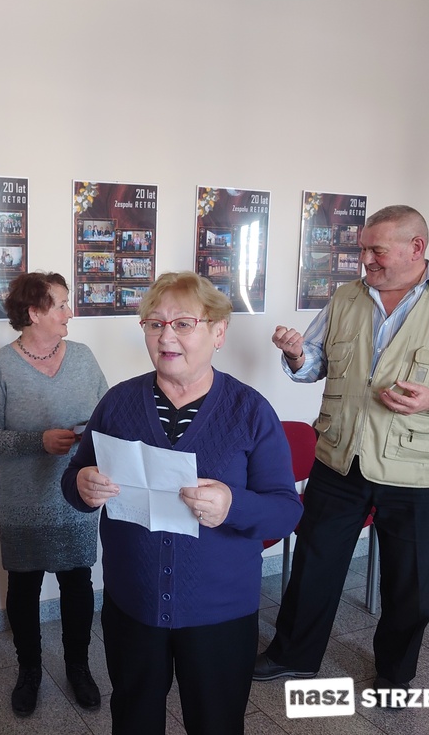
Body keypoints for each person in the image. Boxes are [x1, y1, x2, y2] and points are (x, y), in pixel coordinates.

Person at [255, 205, 429, 696]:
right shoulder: (346, 297)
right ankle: (293, 656)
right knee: (314, 566)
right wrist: (296, 354)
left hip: (419, 470)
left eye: (377, 250)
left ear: (416, 248)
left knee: (408, 584)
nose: (365, 259)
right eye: (362, 249)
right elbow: (316, 364)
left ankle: (395, 675)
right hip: (340, 459)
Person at [62, 271, 303, 735]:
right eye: (154, 324)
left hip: (220, 611)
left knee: (216, 723)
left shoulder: (250, 411)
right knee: (133, 719)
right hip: (133, 603)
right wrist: (82, 486)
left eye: (183, 324)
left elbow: (286, 510)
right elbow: (74, 481)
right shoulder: (117, 404)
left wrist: (232, 505)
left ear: (218, 332)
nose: (166, 336)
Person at [0, 271, 109, 717]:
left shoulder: (83, 358)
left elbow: (109, 418)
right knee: (24, 586)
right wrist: (39, 441)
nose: (70, 312)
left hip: (77, 496)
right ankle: (29, 670)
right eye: (62, 304)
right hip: (23, 503)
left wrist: (88, 436)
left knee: (77, 582)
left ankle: (78, 667)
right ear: (34, 313)